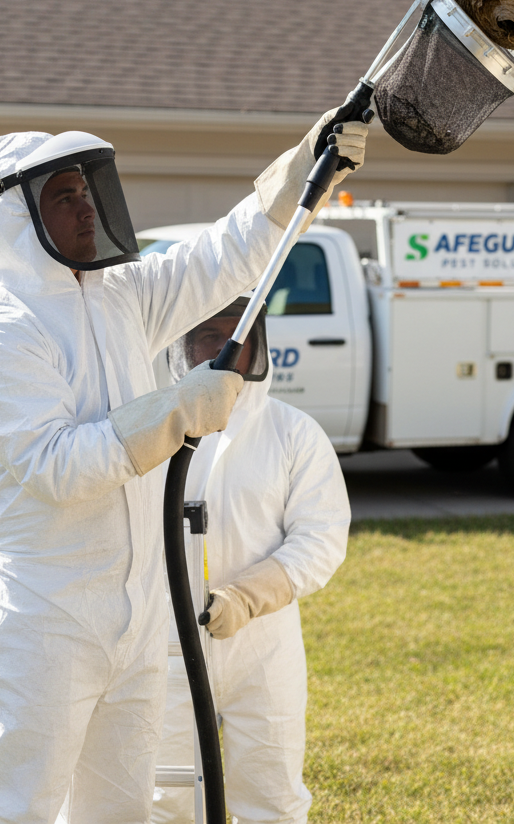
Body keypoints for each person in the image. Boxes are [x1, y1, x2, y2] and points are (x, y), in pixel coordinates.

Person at [0, 115, 367, 824]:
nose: (84, 207)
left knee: (122, 808)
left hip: (136, 618)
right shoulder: (0, 337)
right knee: (14, 806)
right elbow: (56, 467)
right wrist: (176, 409)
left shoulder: (120, 298)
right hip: (42, 618)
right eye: (61, 196)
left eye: (84, 191)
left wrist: (295, 179)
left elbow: (222, 260)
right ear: (14, 218)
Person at [151, 297, 350, 824]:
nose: (222, 348)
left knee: (271, 798)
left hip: (264, 648)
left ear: (258, 346)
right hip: (165, 645)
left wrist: (246, 596)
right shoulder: (152, 429)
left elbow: (322, 538)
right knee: (166, 798)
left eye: (233, 334)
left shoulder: (294, 433)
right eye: (205, 338)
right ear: (181, 349)